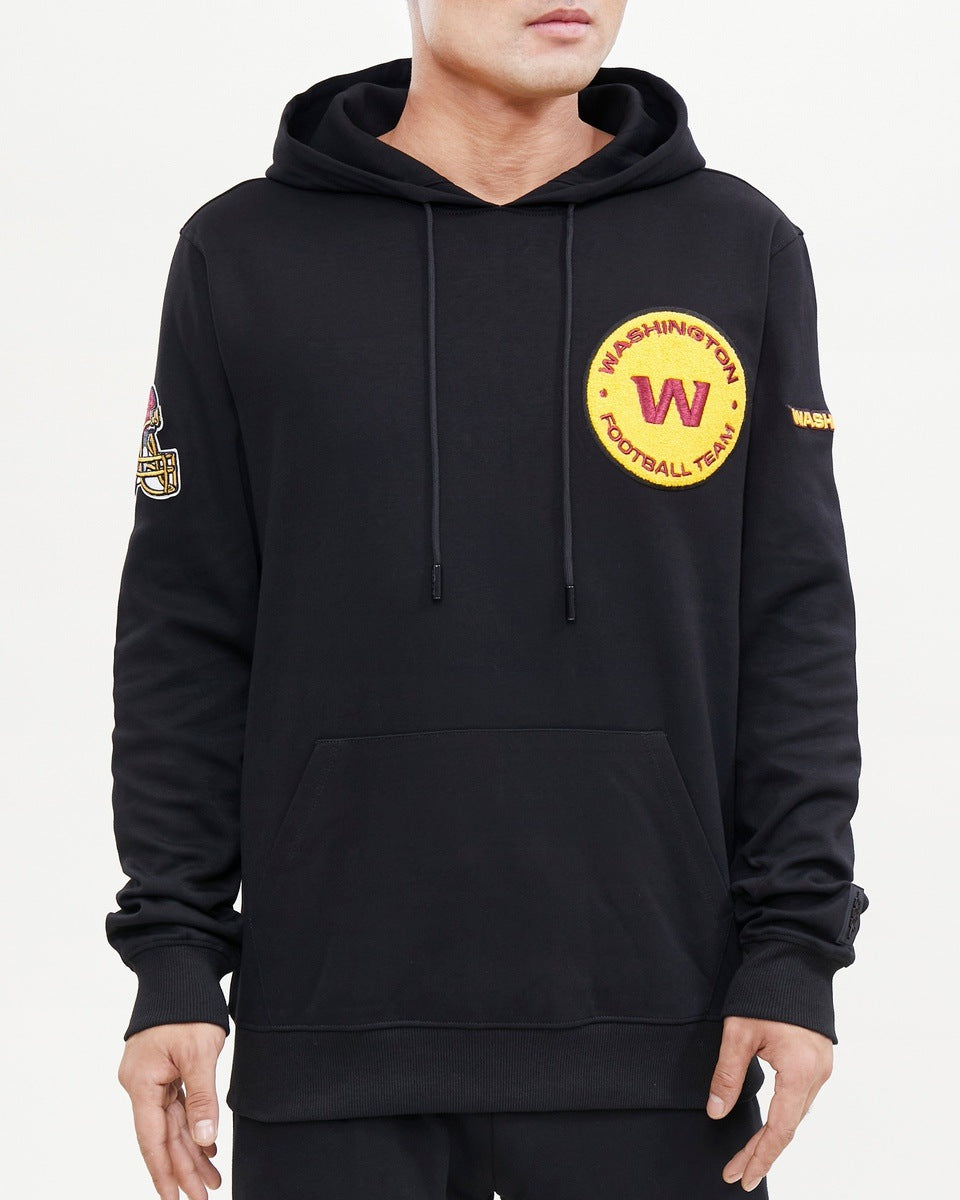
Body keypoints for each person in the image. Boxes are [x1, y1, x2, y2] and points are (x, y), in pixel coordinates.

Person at [106, 2, 869, 1197]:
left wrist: (798, 949)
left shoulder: (736, 245)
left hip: (668, 1038)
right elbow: (184, 633)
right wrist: (173, 955)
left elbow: (794, 622)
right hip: (335, 1035)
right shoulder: (243, 251)